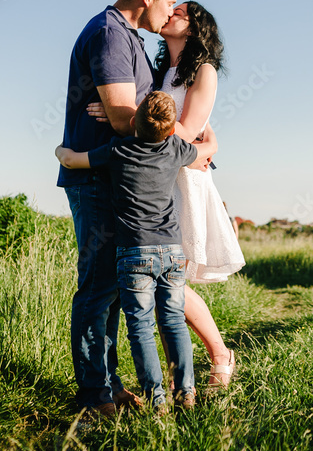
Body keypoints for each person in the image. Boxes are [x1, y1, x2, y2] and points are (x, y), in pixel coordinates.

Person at [89, 0, 244, 388]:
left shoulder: (203, 70)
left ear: (194, 27)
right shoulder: (163, 70)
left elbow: (187, 132)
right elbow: (157, 124)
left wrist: (122, 116)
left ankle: (219, 354)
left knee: (174, 279)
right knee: (170, 280)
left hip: (182, 179)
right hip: (160, 177)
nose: (172, 11)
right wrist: (121, 111)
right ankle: (202, 364)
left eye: (182, 11)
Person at [56, 0, 179, 419]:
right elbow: (127, 116)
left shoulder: (128, 38)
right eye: (167, 2)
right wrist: (128, 117)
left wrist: (124, 115)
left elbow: (125, 115)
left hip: (110, 178)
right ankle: (93, 397)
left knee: (110, 289)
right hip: (94, 180)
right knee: (97, 288)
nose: (169, 14)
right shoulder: (110, 33)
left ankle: (108, 385)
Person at [56, 91, 218, 410]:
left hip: (134, 253)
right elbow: (209, 149)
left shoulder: (118, 149)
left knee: (141, 325)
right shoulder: (175, 149)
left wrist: (60, 150)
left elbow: (73, 160)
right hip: (172, 251)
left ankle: (156, 398)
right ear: (171, 130)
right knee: (172, 320)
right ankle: (186, 392)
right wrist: (209, 131)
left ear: (132, 123)